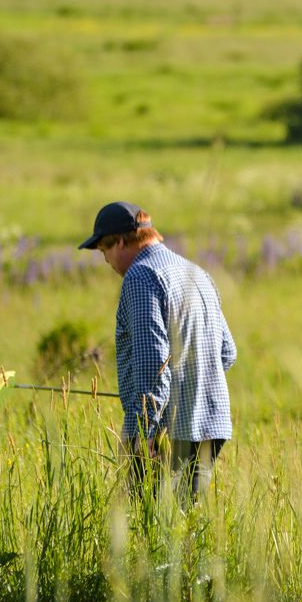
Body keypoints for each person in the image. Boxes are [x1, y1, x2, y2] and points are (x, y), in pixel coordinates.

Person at [79, 202, 236, 499]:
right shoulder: (196, 272)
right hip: (212, 424)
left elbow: (153, 360)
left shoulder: (141, 277)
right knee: (184, 526)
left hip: (165, 431)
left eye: (104, 251)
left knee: (148, 525)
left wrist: (146, 431)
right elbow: (227, 353)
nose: (106, 261)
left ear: (122, 241)